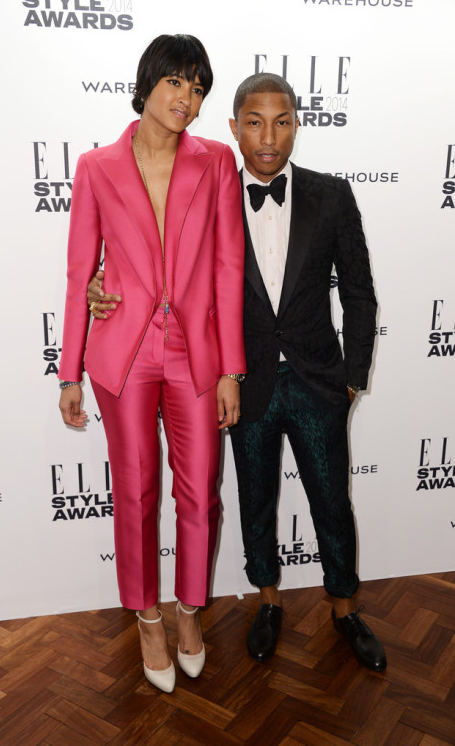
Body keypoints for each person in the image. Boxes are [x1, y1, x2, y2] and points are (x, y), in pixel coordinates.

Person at [87, 72, 387, 672]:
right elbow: (162, 263)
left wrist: (352, 378)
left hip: (318, 381)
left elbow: (359, 291)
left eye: (281, 121)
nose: (268, 136)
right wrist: (104, 285)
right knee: (255, 500)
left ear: (297, 125)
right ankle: (268, 601)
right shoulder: (211, 190)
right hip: (241, 381)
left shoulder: (332, 195)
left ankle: (345, 608)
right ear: (233, 128)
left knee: (332, 500)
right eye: (254, 122)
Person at [58, 34, 246, 694]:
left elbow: (227, 268)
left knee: (200, 493)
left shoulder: (218, 162)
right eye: (177, 82)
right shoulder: (96, 166)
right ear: (148, 83)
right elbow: (84, 269)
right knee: (134, 493)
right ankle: (146, 617)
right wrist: (69, 370)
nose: (187, 98)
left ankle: (189, 612)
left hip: (194, 352)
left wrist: (231, 369)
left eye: (198, 88)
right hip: (124, 353)